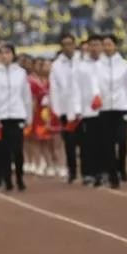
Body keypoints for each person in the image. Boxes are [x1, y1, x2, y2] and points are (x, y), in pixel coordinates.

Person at [0, 42, 30, 191]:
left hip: (18, 115)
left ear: (13, 55)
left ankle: (19, 177)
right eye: (2, 53)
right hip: (2, 117)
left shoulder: (21, 72)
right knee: (4, 151)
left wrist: (28, 116)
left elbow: (26, 96)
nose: (5, 55)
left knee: (18, 150)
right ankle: (7, 180)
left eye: (8, 52)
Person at [96, 34, 127, 188]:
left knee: (122, 140)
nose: (106, 47)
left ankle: (121, 166)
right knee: (108, 144)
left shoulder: (124, 64)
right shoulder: (98, 65)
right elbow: (95, 86)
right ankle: (113, 176)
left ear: (115, 46)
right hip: (105, 109)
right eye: (104, 44)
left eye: (109, 44)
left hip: (122, 106)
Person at [50, 33, 83, 184]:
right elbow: (54, 89)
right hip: (65, 110)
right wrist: (56, 110)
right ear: (61, 46)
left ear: (75, 44)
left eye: (70, 43)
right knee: (69, 143)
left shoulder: (83, 60)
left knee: (85, 143)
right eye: (65, 44)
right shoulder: (56, 65)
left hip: (83, 109)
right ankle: (72, 172)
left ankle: (87, 170)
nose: (68, 47)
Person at [74, 35, 103, 185]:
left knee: (104, 143)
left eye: (97, 44)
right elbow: (77, 89)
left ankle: (103, 171)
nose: (94, 48)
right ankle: (88, 172)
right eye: (92, 45)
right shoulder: (81, 66)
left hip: (105, 110)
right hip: (88, 111)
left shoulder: (106, 64)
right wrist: (78, 109)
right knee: (88, 144)